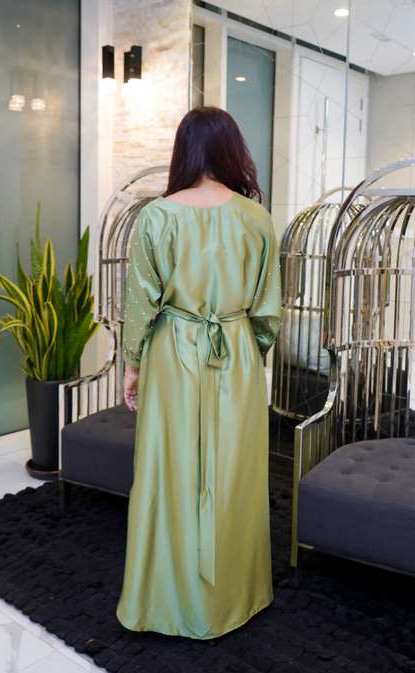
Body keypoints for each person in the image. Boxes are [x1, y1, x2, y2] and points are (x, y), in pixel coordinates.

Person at [116, 106, 282, 639]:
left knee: (169, 469)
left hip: (173, 353)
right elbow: (268, 311)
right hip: (235, 350)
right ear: (232, 150)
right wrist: (246, 350)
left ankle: (165, 597)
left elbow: (140, 305)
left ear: (183, 151)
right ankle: (237, 594)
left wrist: (133, 367)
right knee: (235, 470)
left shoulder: (156, 216)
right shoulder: (256, 218)